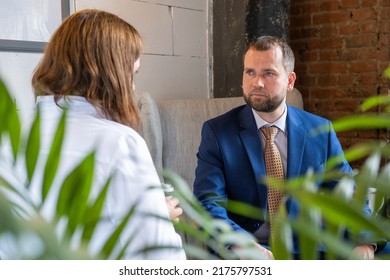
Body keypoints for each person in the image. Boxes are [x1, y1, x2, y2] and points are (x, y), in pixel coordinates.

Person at [193, 35, 375, 260]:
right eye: (250, 72)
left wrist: (365, 242)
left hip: (309, 249)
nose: (257, 82)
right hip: (247, 248)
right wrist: (241, 245)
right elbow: (208, 201)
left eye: (268, 73)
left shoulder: (320, 131)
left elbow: (350, 194)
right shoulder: (217, 132)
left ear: (290, 81)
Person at [28, 9, 185, 259]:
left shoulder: (15, 139)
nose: (133, 87)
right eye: (132, 75)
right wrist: (159, 219)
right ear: (111, 75)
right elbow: (162, 260)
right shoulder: (121, 143)